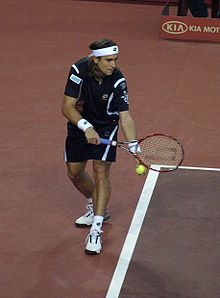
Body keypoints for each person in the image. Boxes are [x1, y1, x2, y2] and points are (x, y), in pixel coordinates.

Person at [62, 38, 139, 255]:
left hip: (106, 126)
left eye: (115, 59)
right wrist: (86, 128)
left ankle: (96, 228)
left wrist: (133, 144)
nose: (113, 65)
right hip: (79, 123)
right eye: (108, 60)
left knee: (100, 171)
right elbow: (67, 106)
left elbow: (125, 117)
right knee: (74, 173)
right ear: (94, 59)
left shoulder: (117, 80)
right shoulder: (78, 69)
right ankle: (96, 204)